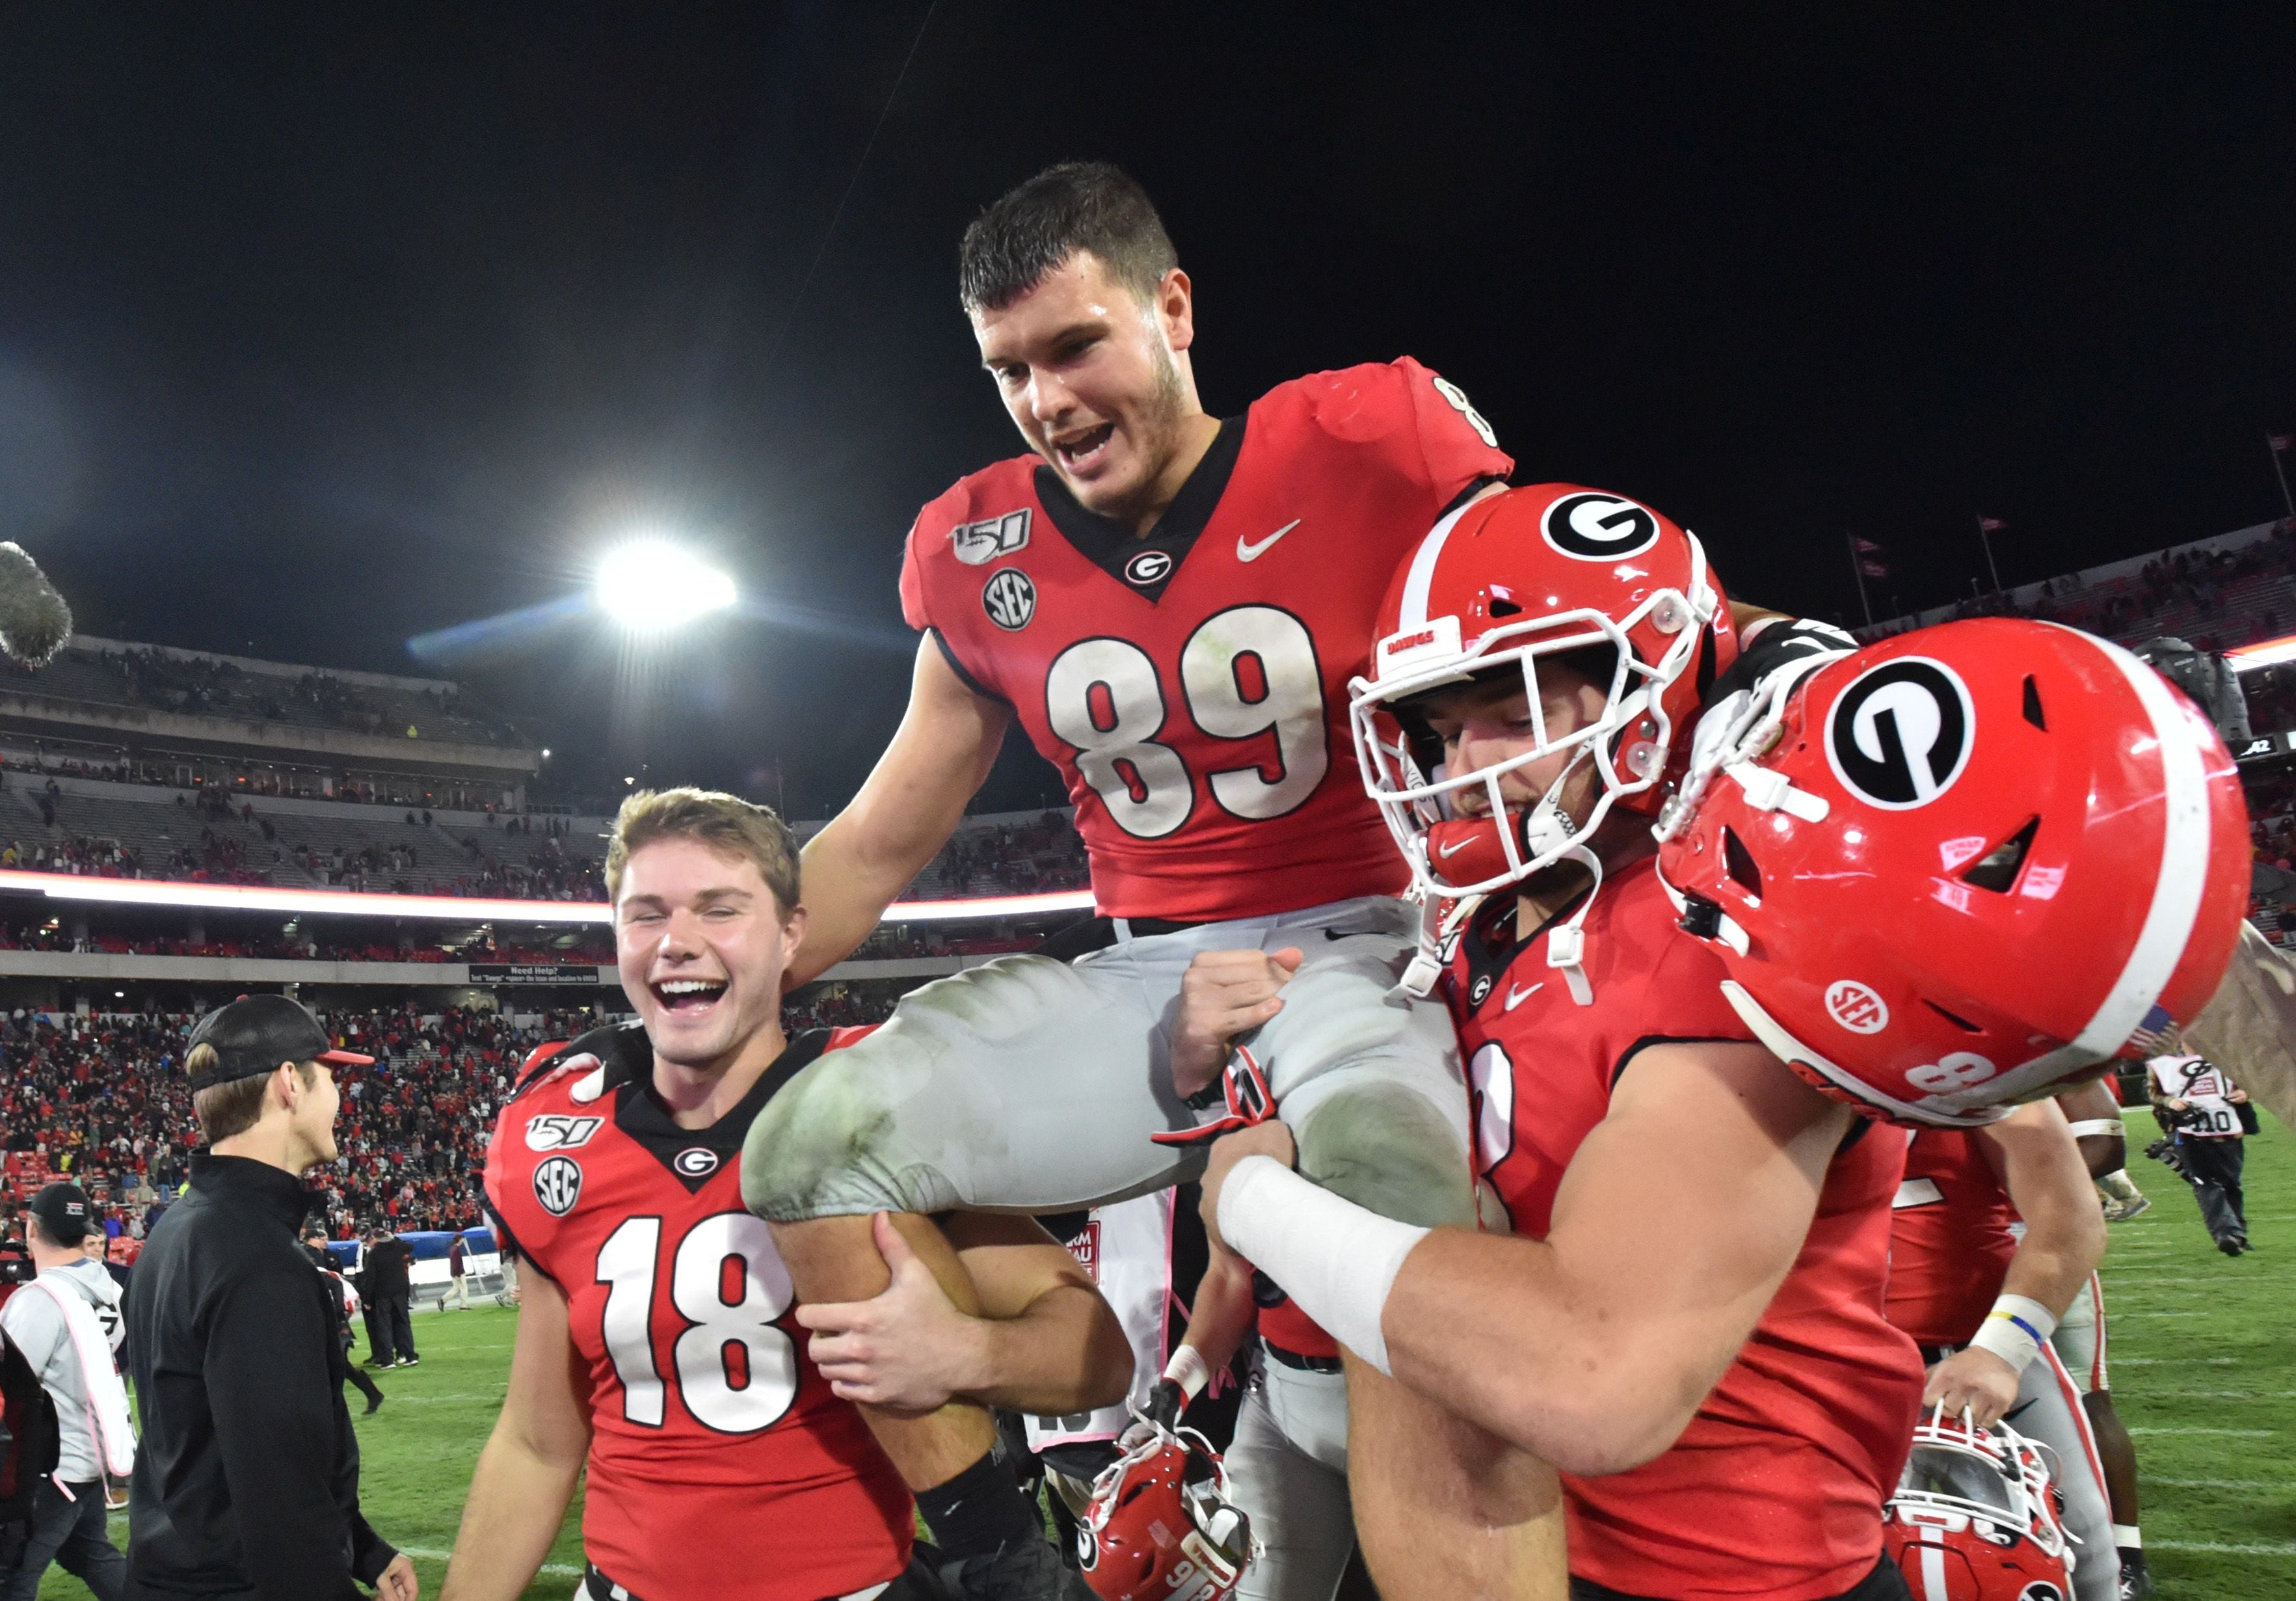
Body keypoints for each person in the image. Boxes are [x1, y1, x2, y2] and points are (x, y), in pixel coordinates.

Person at [740, 157, 1529, 1598]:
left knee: (1390, 1224)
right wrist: (723, 982)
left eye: (1074, 345)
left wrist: (1769, 654)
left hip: (1367, 949)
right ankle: (1002, 1553)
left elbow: (1564, 610)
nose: (1044, 400)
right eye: (1008, 370)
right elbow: (877, 837)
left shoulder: (1369, 440)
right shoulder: (977, 545)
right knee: (807, 1147)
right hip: (1144, 969)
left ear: (1171, 307)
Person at [1195, 485, 1922, 1599]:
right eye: (1442, 731)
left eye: (1517, 712)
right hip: (1509, 1529)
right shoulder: (1502, 917)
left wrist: (1258, 1205)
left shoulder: (1724, 934)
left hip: (1719, 1570)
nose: (1462, 767)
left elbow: (1597, 1375)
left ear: (1658, 686)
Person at [445, 788, 1131, 1601]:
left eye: (719, 910)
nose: (676, 943)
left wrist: (963, 1353)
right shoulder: (553, 1127)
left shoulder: (874, 1098)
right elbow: (537, 1441)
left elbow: (1095, 1353)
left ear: (791, 934)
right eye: (646, 913)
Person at [122, 994, 416, 1601]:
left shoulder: (175, 1232)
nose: (340, 1098)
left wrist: (362, 1546)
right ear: (290, 1083)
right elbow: (281, 1503)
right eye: (331, 1078)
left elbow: (210, 1452)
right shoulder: (255, 1258)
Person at [1886, 1105, 2116, 1601]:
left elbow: (2072, 1215)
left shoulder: (1960, 1068)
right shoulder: (1751, 1069)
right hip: (1824, 1363)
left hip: (1974, 1348)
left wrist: (2000, 1352)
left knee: (2077, 1550)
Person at [0, 1183, 129, 1601]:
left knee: (12, 1578)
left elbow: (12, 1386)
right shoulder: (111, 1289)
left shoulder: (39, 1299)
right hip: (91, 1450)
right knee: (91, 1555)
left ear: (31, 1228)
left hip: (52, 1467)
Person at [2051, 1080, 2154, 1600]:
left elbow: (2105, 1140)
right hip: (1938, 1245)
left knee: (2089, 1397)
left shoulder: (2037, 1051)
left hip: (2039, 1235)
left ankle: (2126, 1554)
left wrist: (2019, 1178)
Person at [2146, 1043, 2252, 1252]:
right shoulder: (2164, 1062)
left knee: (2231, 1183)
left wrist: (2245, 1094)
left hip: (2228, 1130)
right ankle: (2225, 1234)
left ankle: (2237, 1232)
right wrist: (2170, 1101)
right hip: (2189, 1132)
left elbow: (2249, 1082)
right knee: (2205, 1183)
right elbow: (2153, 1093)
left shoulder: (2225, 1053)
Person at [304, 1226, 382, 1416]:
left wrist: (338, 1315)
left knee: (336, 1366)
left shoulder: (321, 1275)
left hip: (336, 1325)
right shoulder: (315, 1275)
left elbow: (336, 1289)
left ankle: (335, 1406)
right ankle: (372, 1394)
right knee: (338, 1366)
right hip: (329, 1324)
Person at [360, 1224, 417, 1366]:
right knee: (404, 1323)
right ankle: (410, 1355)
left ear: (375, 1238)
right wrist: (394, 1238)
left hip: (382, 1294)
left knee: (384, 1326)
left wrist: (367, 1299)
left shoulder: (373, 1253)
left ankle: (388, 1359)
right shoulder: (396, 1247)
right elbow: (409, 1247)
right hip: (400, 1292)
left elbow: (370, 1277)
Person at [442, 1231, 468, 1311]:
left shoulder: (453, 1249)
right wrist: (458, 1274)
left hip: (455, 1272)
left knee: (456, 1288)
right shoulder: (456, 1249)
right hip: (459, 1272)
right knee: (464, 1288)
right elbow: (457, 1262)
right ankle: (463, 1305)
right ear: (460, 1239)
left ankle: (443, 1300)